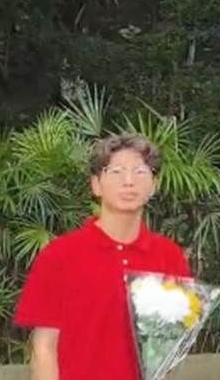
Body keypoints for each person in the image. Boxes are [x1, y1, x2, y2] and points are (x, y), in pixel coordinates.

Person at [14, 134, 191, 380]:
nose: (128, 181)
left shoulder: (169, 256)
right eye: (116, 172)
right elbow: (44, 347)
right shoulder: (60, 255)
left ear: (153, 185)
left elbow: (168, 349)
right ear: (96, 184)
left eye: (140, 171)